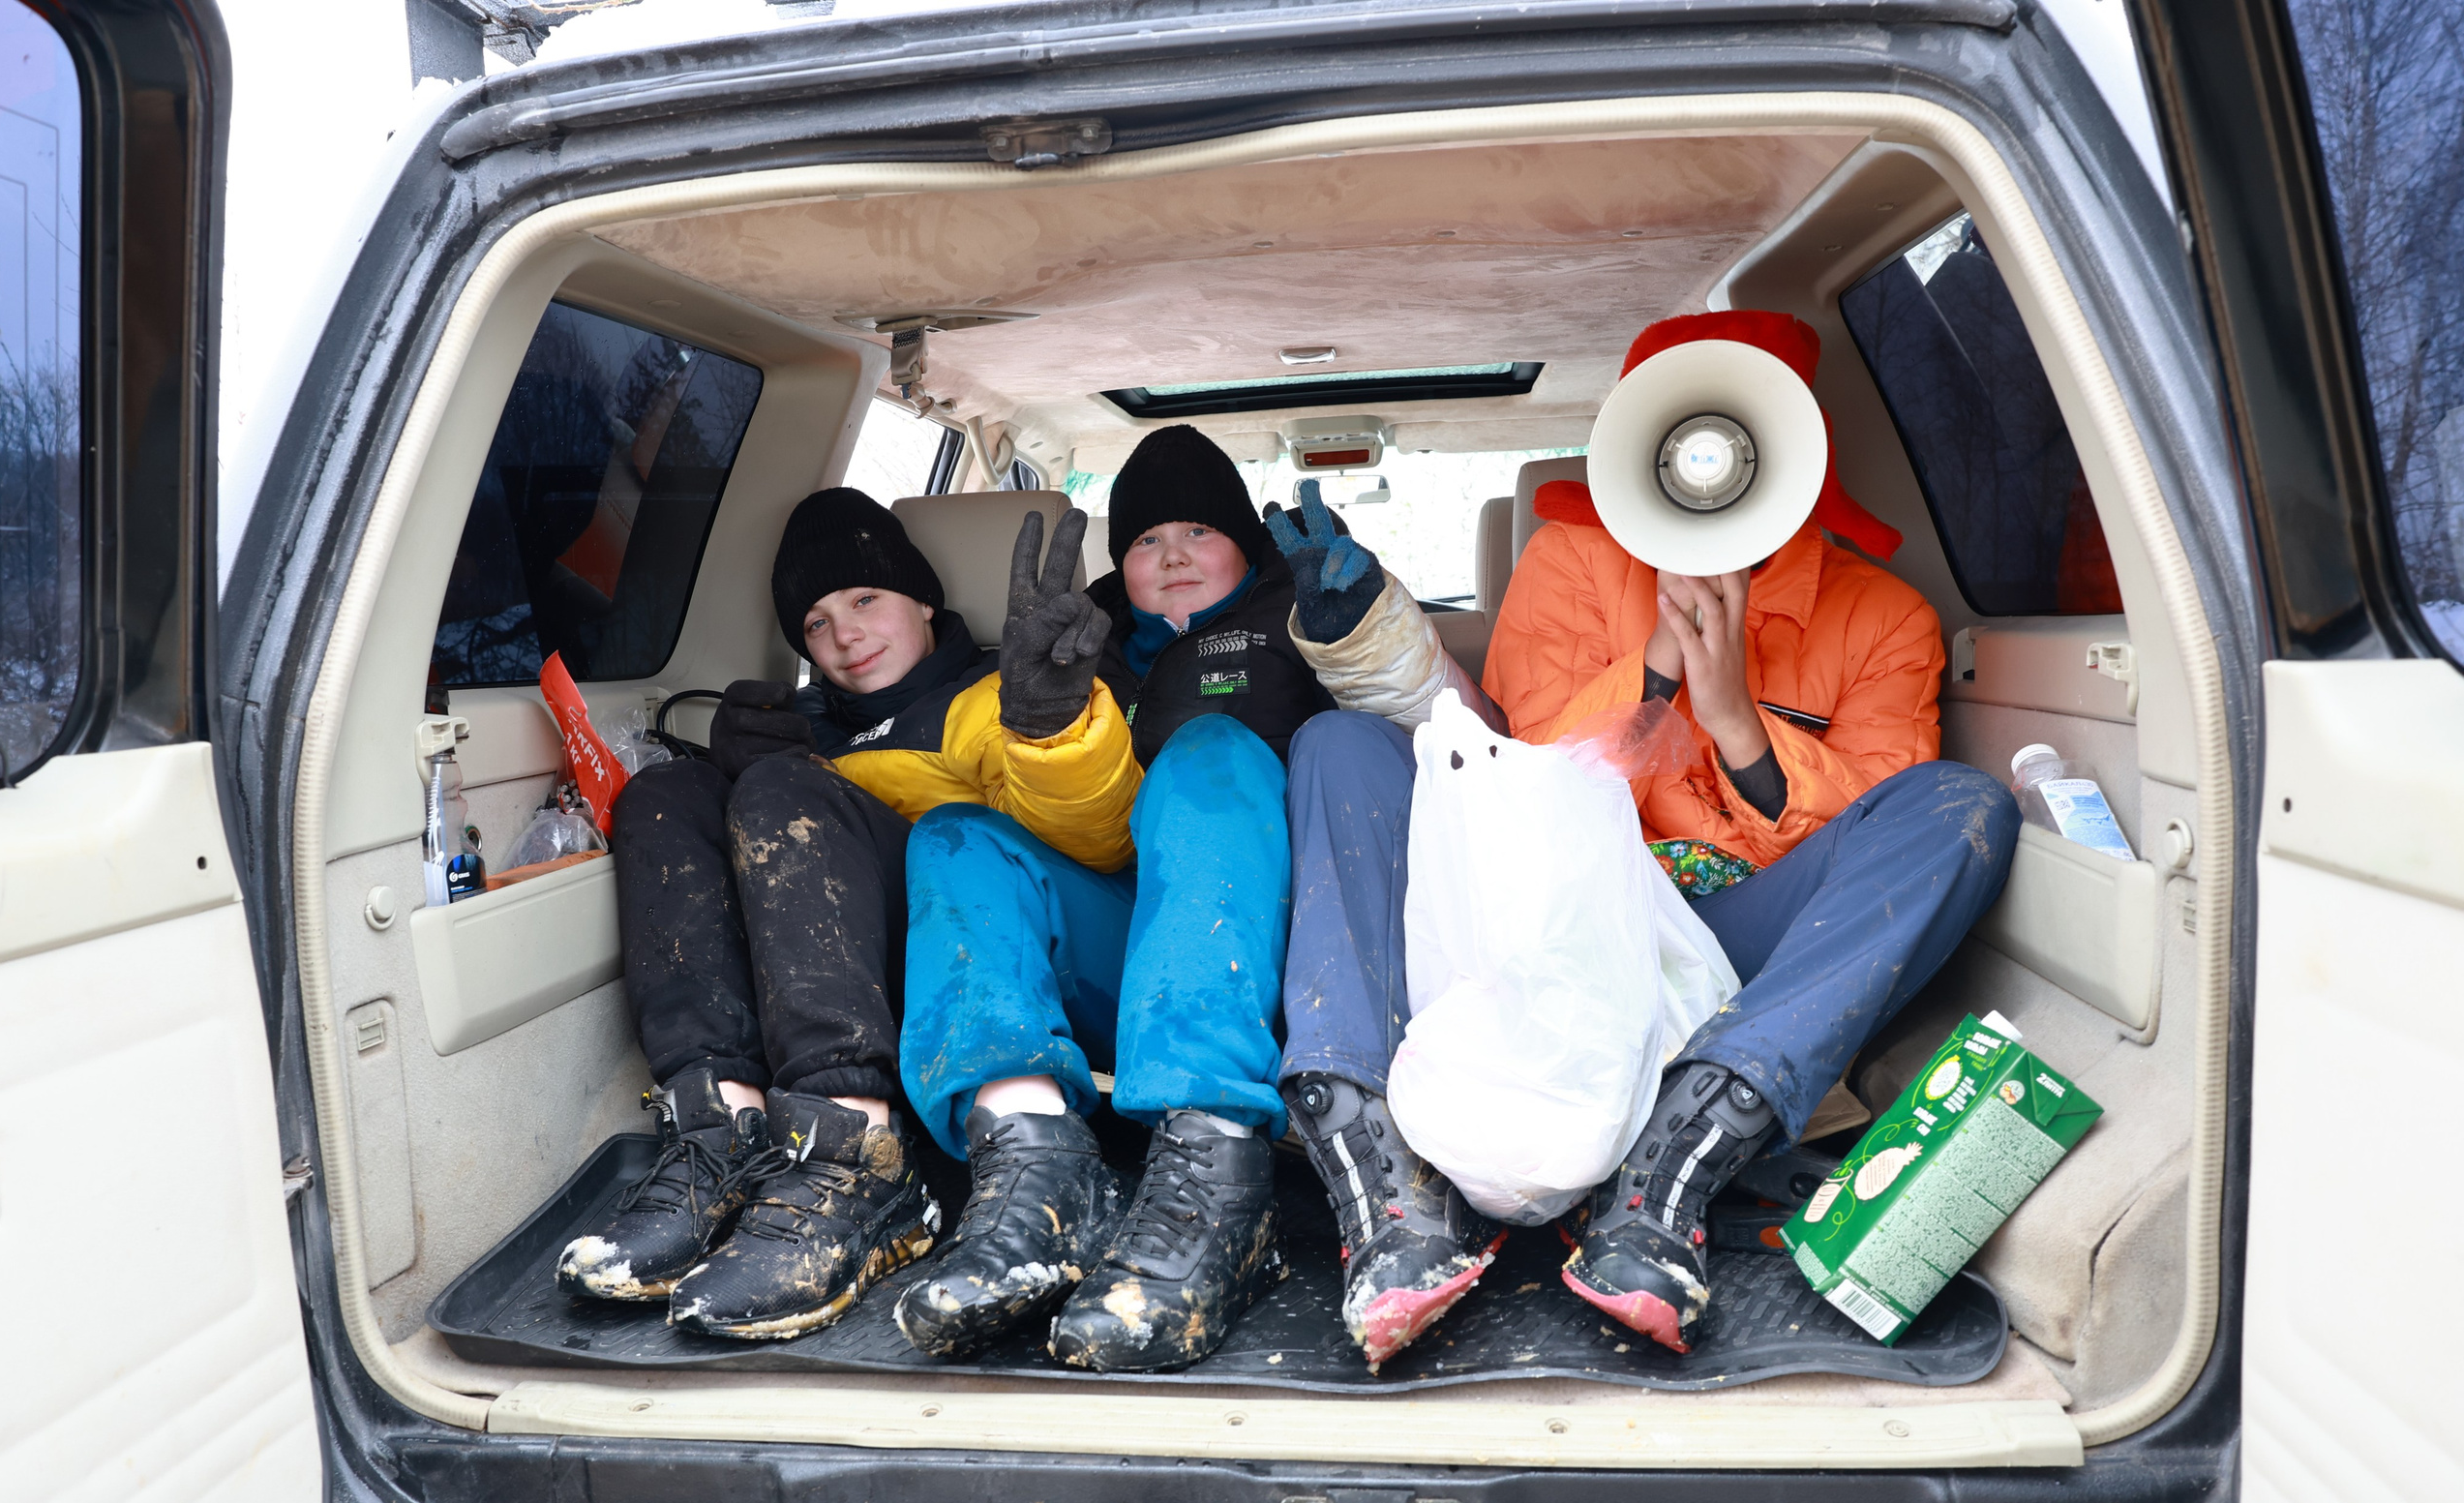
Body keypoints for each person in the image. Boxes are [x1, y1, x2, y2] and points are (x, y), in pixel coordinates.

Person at [1280, 309, 2022, 1361]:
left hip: (1734, 945)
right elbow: (1521, 778)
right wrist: (1659, 677)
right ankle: (1385, 1182)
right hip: (1554, 914)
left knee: (1962, 806)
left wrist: (1734, 724)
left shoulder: (1882, 616)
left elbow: (1866, 837)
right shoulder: (1573, 560)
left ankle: (1675, 1164)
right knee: (1337, 743)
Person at [890, 425, 1472, 1371]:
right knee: (958, 838)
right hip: (1157, 974)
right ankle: (1034, 1172)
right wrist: (1049, 719)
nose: (1169, 554)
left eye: (1197, 531)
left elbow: (1451, 749)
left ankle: (1211, 1179)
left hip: (1310, 965)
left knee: (1209, 750)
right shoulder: (1080, 645)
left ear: (1247, 542)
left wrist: (1369, 636)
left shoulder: (1315, 613)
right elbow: (1095, 836)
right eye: (1145, 540)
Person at [556, 485, 1137, 1340]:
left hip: (1004, 966)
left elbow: (1090, 838)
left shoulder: (1000, 692)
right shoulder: (804, 730)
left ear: (925, 599)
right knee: (664, 795)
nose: (845, 635)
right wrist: (743, 778)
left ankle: (858, 1156)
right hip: (855, 978)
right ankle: (723, 1127)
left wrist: (1048, 724)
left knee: (793, 792)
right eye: (817, 623)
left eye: (865, 599)